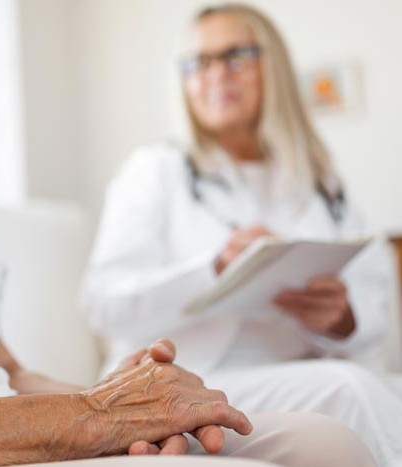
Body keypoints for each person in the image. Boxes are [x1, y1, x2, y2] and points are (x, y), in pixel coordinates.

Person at [0, 1, 380, 466]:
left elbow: (8, 371)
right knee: (342, 399)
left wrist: (132, 402)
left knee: (326, 442)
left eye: (235, 58)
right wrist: (91, 416)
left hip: (24, 423)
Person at [81, 3, 402, 466]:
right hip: (195, 378)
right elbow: (101, 304)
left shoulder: (318, 180)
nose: (216, 74)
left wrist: (343, 319)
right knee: (350, 389)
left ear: (273, 65)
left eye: (235, 56)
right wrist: (213, 269)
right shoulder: (155, 171)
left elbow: (374, 297)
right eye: (199, 62)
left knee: (376, 385)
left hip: (298, 371)